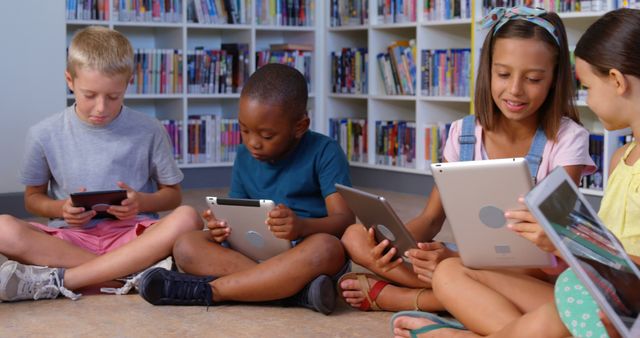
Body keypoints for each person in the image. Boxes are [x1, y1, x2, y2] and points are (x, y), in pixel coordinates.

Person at [391, 8, 640, 338]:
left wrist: (567, 242)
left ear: (617, 82)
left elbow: (616, 270)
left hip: (619, 308)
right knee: (451, 272)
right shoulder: (621, 159)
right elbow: (603, 265)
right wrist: (569, 246)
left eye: (588, 87)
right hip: (594, 296)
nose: (588, 101)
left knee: (555, 318)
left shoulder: (570, 140)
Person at [338, 6, 595, 313]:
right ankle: (454, 287)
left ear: (554, 79)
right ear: (487, 70)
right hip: (469, 259)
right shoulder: (463, 133)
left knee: (489, 271)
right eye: (503, 74)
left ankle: (415, 296)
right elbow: (432, 219)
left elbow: (554, 237)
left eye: (534, 79)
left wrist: (452, 261)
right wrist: (392, 246)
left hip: (531, 268)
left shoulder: (568, 139)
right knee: (355, 236)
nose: (515, 90)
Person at [0, 26, 203, 302]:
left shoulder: (150, 130)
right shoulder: (44, 133)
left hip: (133, 236)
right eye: (89, 95)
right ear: (69, 80)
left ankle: (66, 279)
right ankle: (127, 275)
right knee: (3, 228)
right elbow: (32, 200)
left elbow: (173, 196)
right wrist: (62, 209)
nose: (101, 108)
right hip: (71, 238)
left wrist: (140, 202)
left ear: (127, 84)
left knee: (190, 217)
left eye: (113, 96)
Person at [136, 63, 355, 315]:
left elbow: (345, 220)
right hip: (254, 252)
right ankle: (295, 293)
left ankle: (212, 291)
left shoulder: (325, 151)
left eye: (267, 135)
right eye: (244, 129)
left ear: (300, 126)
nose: (253, 143)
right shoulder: (243, 155)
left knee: (327, 248)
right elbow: (237, 210)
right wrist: (222, 228)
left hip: (303, 252)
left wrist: (302, 226)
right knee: (186, 245)